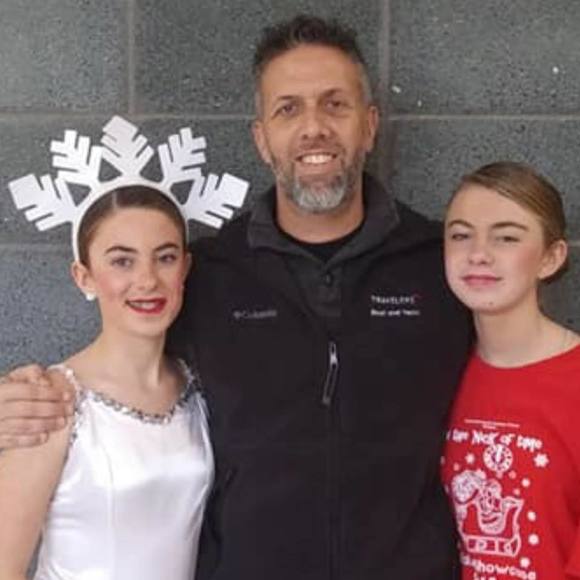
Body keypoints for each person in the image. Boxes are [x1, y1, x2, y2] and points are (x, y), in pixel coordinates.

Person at [0, 15, 471, 580]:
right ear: (261, 138)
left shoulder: (443, 266)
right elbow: (118, 367)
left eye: (335, 105)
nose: (314, 128)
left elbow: (518, 367)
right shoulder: (209, 275)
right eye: (288, 109)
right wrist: (20, 401)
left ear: (369, 126)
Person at [0, 186, 214, 579]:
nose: (147, 280)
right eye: (122, 261)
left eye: (164, 258)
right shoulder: (50, 402)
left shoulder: (196, 389)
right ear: (84, 276)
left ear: (184, 268)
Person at [441, 161, 580, 579]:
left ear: (551, 258)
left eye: (506, 237)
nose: (478, 254)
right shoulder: (432, 374)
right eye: (461, 235)